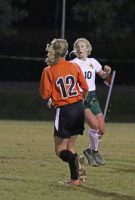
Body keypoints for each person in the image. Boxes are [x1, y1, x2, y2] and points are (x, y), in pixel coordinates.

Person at [39, 38, 89, 186]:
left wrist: (52, 99)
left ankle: (77, 165)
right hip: (78, 108)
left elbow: (44, 94)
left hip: (64, 111)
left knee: (60, 150)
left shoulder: (48, 70)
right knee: (70, 147)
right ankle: (76, 179)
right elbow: (85, 88)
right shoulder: (74, 67)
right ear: (67, 52)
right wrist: (81, 101)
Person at [70, 38, 111, 166]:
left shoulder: (93, 62)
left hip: (92, 97)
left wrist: (107, 73)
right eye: (78, 47)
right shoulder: (72, 63)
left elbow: (103, 76)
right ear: (75, 50)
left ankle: (89, 150)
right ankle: (95, 151)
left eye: (82, 46)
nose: (80, 48)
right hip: (80, 97)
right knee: (94, 126)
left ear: (88, 49)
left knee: (102, 130)